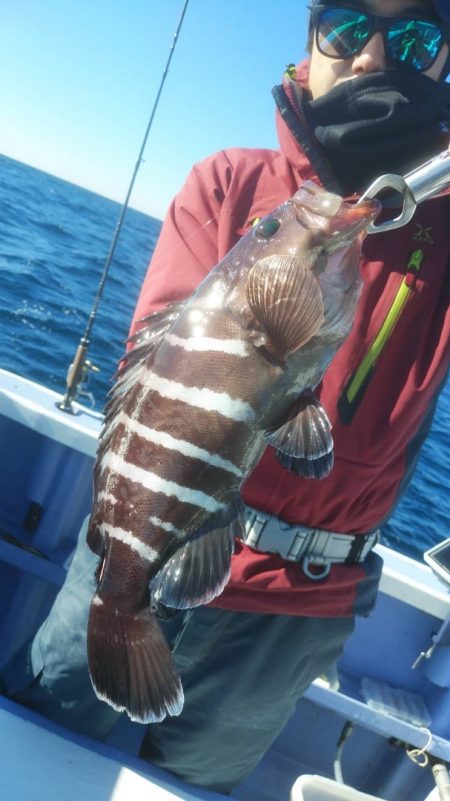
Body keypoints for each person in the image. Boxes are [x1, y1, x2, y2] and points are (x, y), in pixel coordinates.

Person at [2, 0, 450, 794]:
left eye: (415, 37)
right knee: (42, 758)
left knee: (190, 791)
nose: (375, 57)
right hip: (131, 550)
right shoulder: (230, 182)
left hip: (293, 615)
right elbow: (154, 379)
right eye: (347, 28)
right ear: (309, 42)